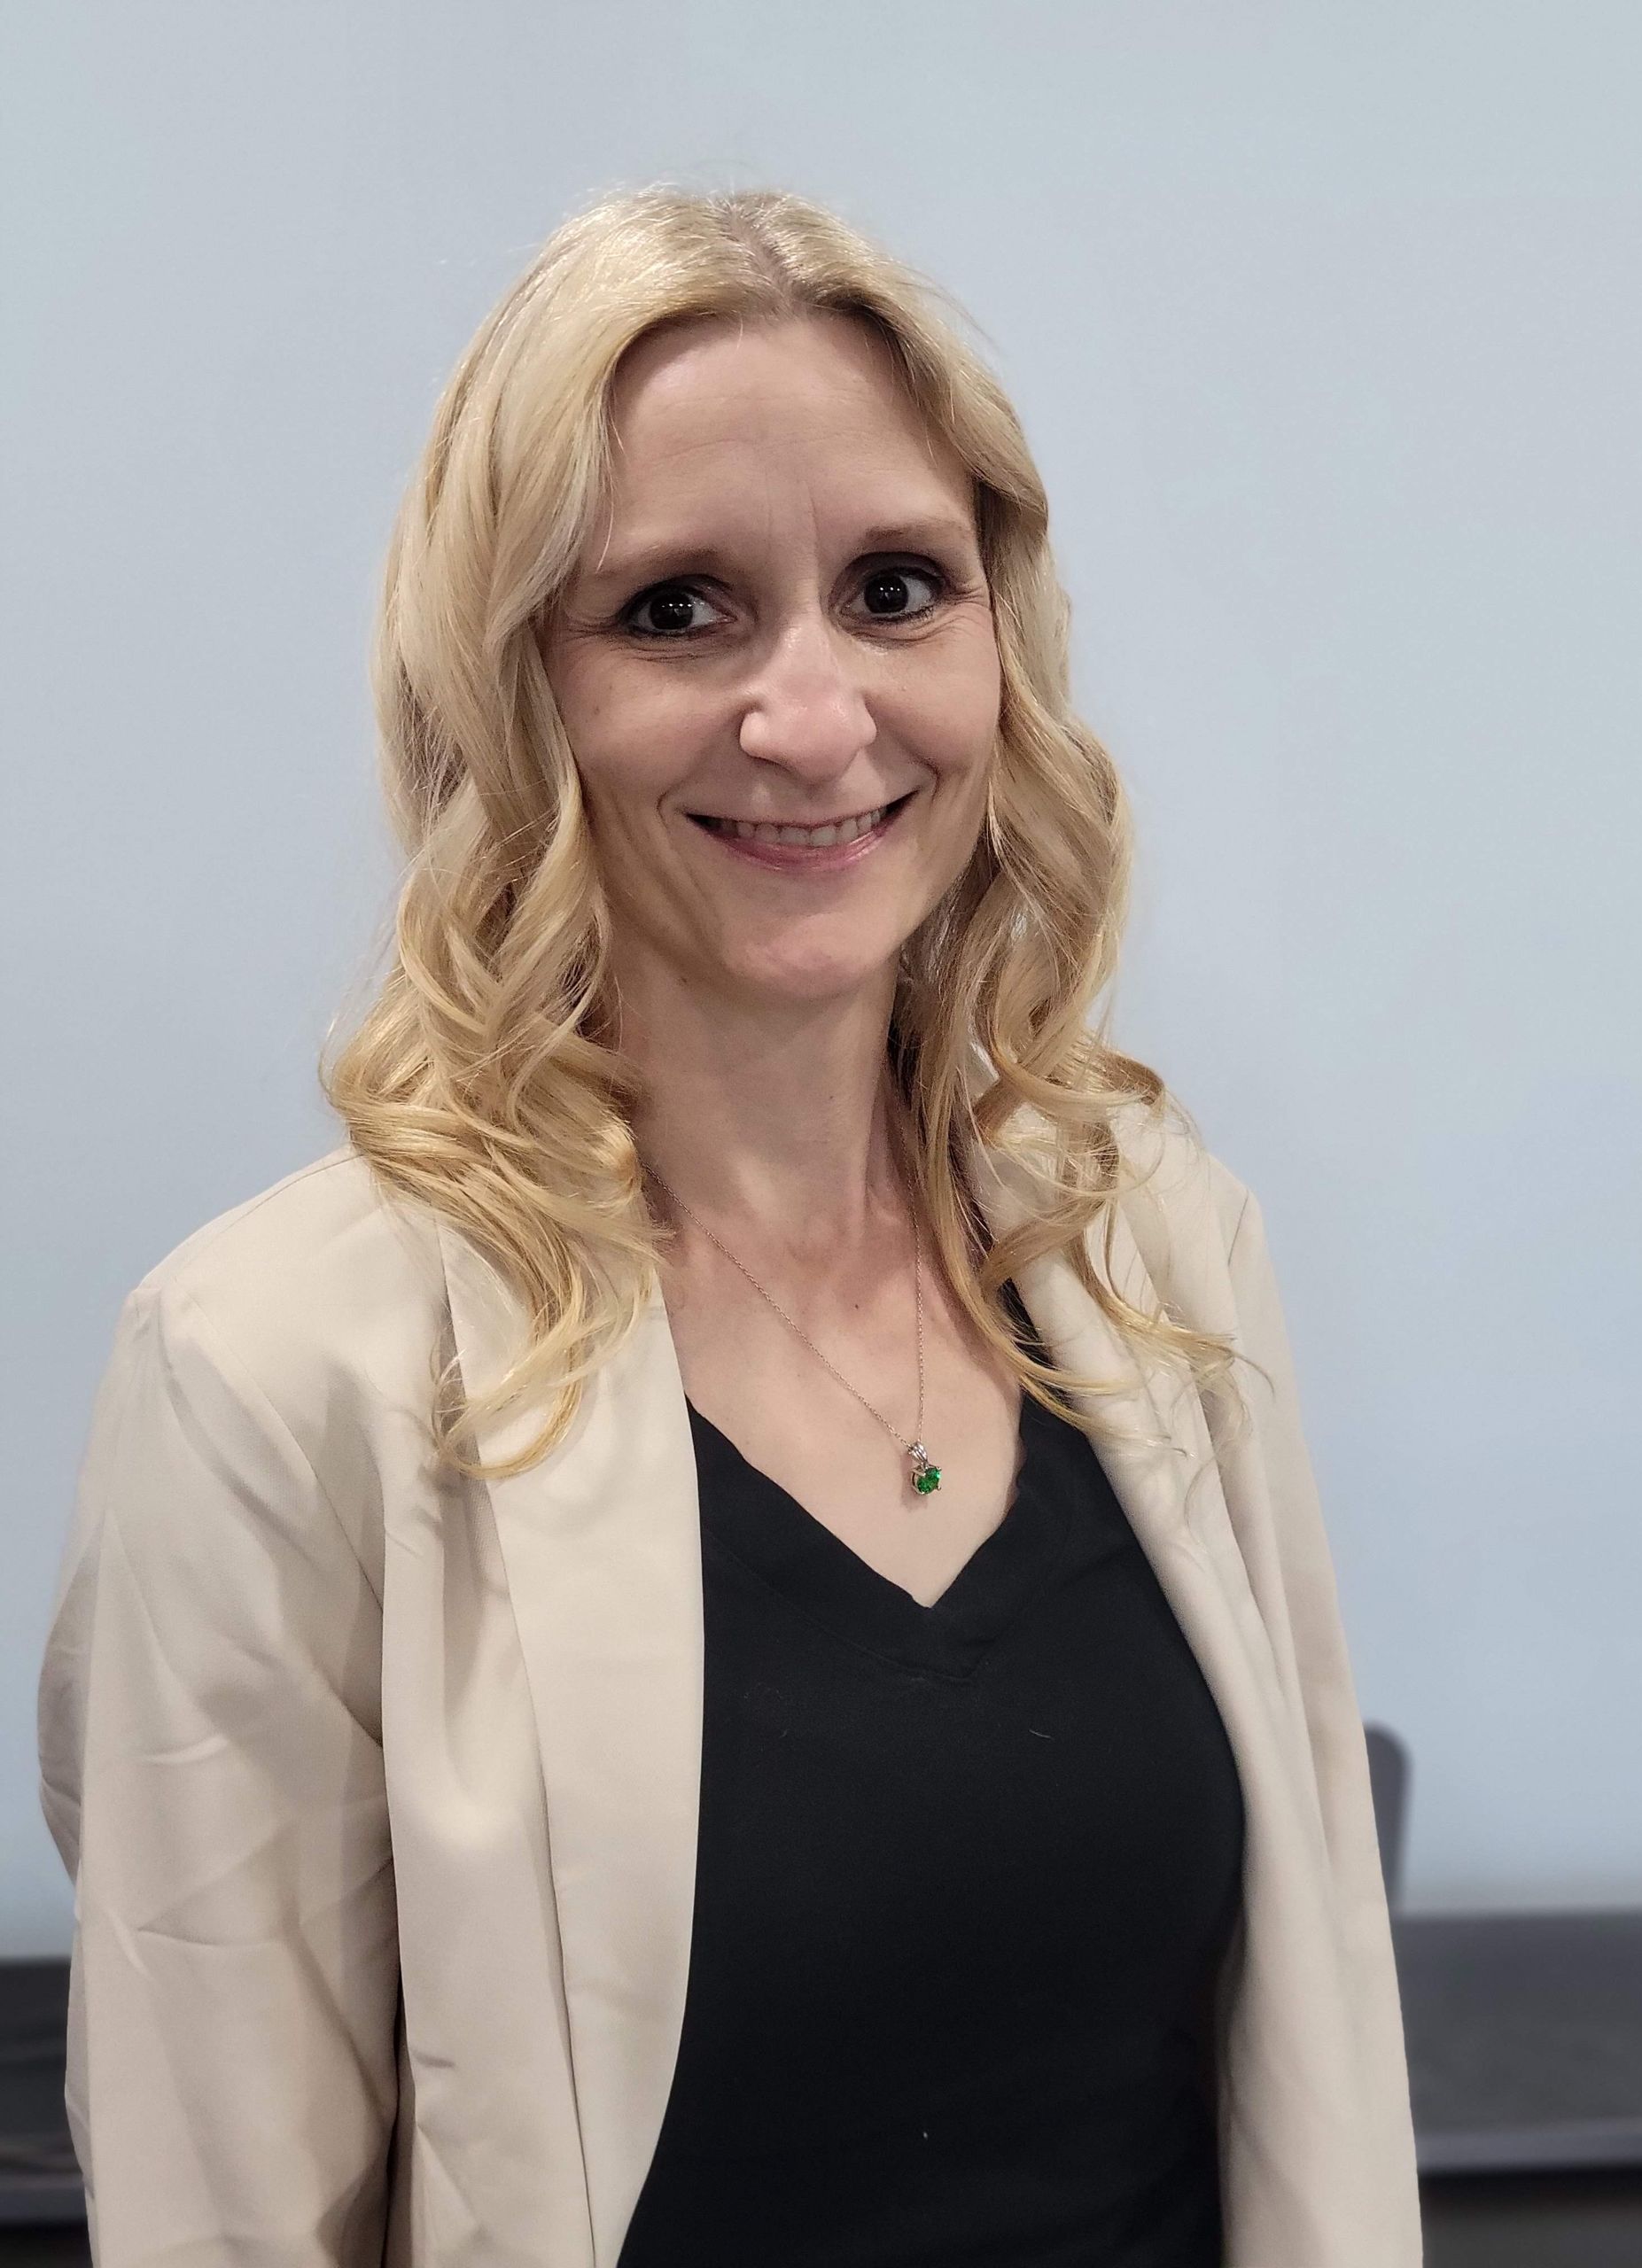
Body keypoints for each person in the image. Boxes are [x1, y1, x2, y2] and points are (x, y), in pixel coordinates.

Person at [37, 183, 1421, 2267]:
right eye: (677, 609)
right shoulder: (268, 1366)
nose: (813, 718)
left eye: (893, 588)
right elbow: (219, 2205)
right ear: (513, 687)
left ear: (998, 641)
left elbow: (1314, 2079)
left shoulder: (1157, 1240)